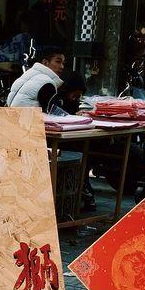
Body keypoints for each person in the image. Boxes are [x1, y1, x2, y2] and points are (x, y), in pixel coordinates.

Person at [48, 70, 97, 212]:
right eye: (74, 95)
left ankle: (83, 184)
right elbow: (54, 117)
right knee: (80, 151)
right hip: (59, 139)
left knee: (91, 149)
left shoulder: (73, 102)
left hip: (73, 136)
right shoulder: (57, 99)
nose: (74, 98)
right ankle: (82, 186)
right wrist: (73, 116)